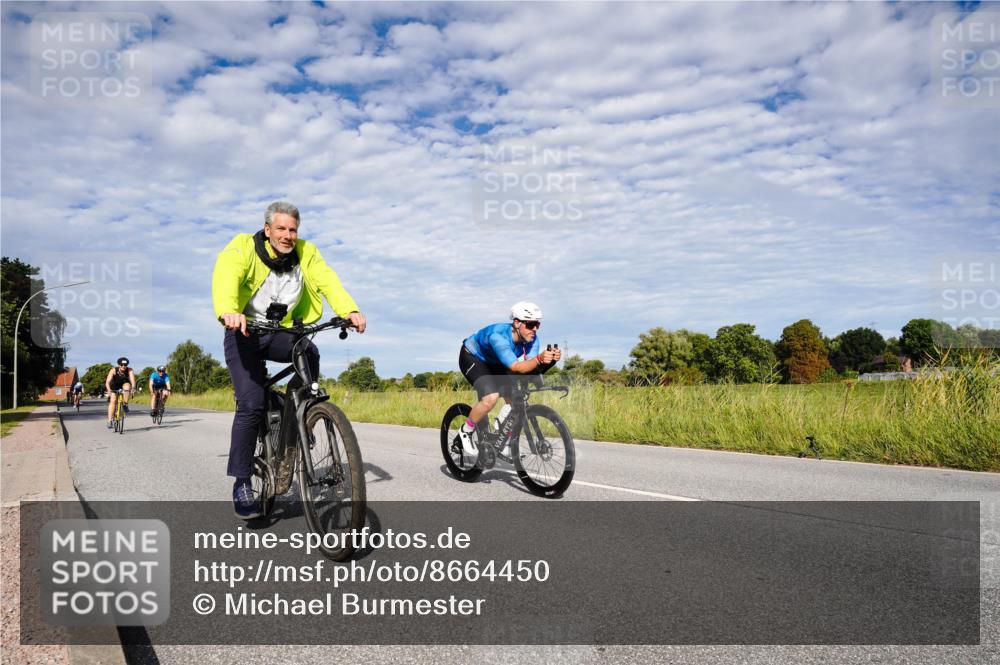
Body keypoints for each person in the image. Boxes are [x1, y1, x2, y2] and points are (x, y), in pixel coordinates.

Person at [212, 200, 366, 519]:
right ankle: (242, 482)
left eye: (292, 229)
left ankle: (299, 411)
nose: (287, 235)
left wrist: (348, 309)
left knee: (308, 351)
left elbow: (327, 280)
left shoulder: (306, 252)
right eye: (280, 228)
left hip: (281, 331)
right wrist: (229, 309)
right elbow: (227, 272)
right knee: (251, 404)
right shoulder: (242, 247)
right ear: (268, 230)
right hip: (244, 331)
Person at [457, 302, 561, 456]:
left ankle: (502, 434)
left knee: (515, 399)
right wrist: (540, 358)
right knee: (490, 398)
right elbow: (517, 367)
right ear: (517, 323)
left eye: (537, 325)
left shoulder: (532, 339)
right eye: (531, 324)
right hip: (472, 357)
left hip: (496, 361)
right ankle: (466, 430)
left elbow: (529, 367)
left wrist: (550, 361)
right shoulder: (498, 336)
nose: (535, 329)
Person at [104, 357, 136, 428]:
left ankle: (125, 404)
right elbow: (107, 382)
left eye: (125, 365)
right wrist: (109, 390)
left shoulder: (130, 370)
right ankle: (109, 421)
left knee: (128, 387)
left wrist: (133, 388)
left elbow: (133, 381)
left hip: (124, 384)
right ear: (119, 365)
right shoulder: (113, 370)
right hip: (115, 386)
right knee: (113, 401)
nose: (123, 366)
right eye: (122, 365)